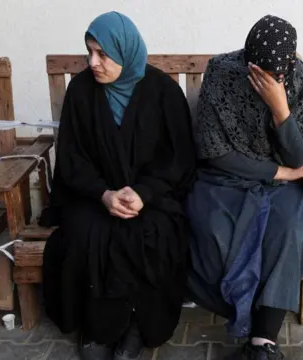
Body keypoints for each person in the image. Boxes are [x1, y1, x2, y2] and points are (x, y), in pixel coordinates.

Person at [39, 12, 196, 360]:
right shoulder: (81, 91)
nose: (93, 62)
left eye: (102, 54)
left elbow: (179, 158)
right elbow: (71, 158)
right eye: (89, 52)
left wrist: (144, 193)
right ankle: (98, 327)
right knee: (86, 233)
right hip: (94, 196)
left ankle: (137, 326)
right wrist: (104, 193)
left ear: (125, 52)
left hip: (151, 197)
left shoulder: (162, 91)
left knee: (152, 233)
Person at [185, 15, 303, 360]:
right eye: (257, 70)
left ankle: (264, 338)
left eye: (275, 73)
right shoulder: (222, 71)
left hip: (281, 186)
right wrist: (279, 171)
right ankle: (238, 312)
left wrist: (281, 109)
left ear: (291, 61)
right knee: (216, 229)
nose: (264, 78)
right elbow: (214, 151)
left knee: (289, 228)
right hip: (226, 179)